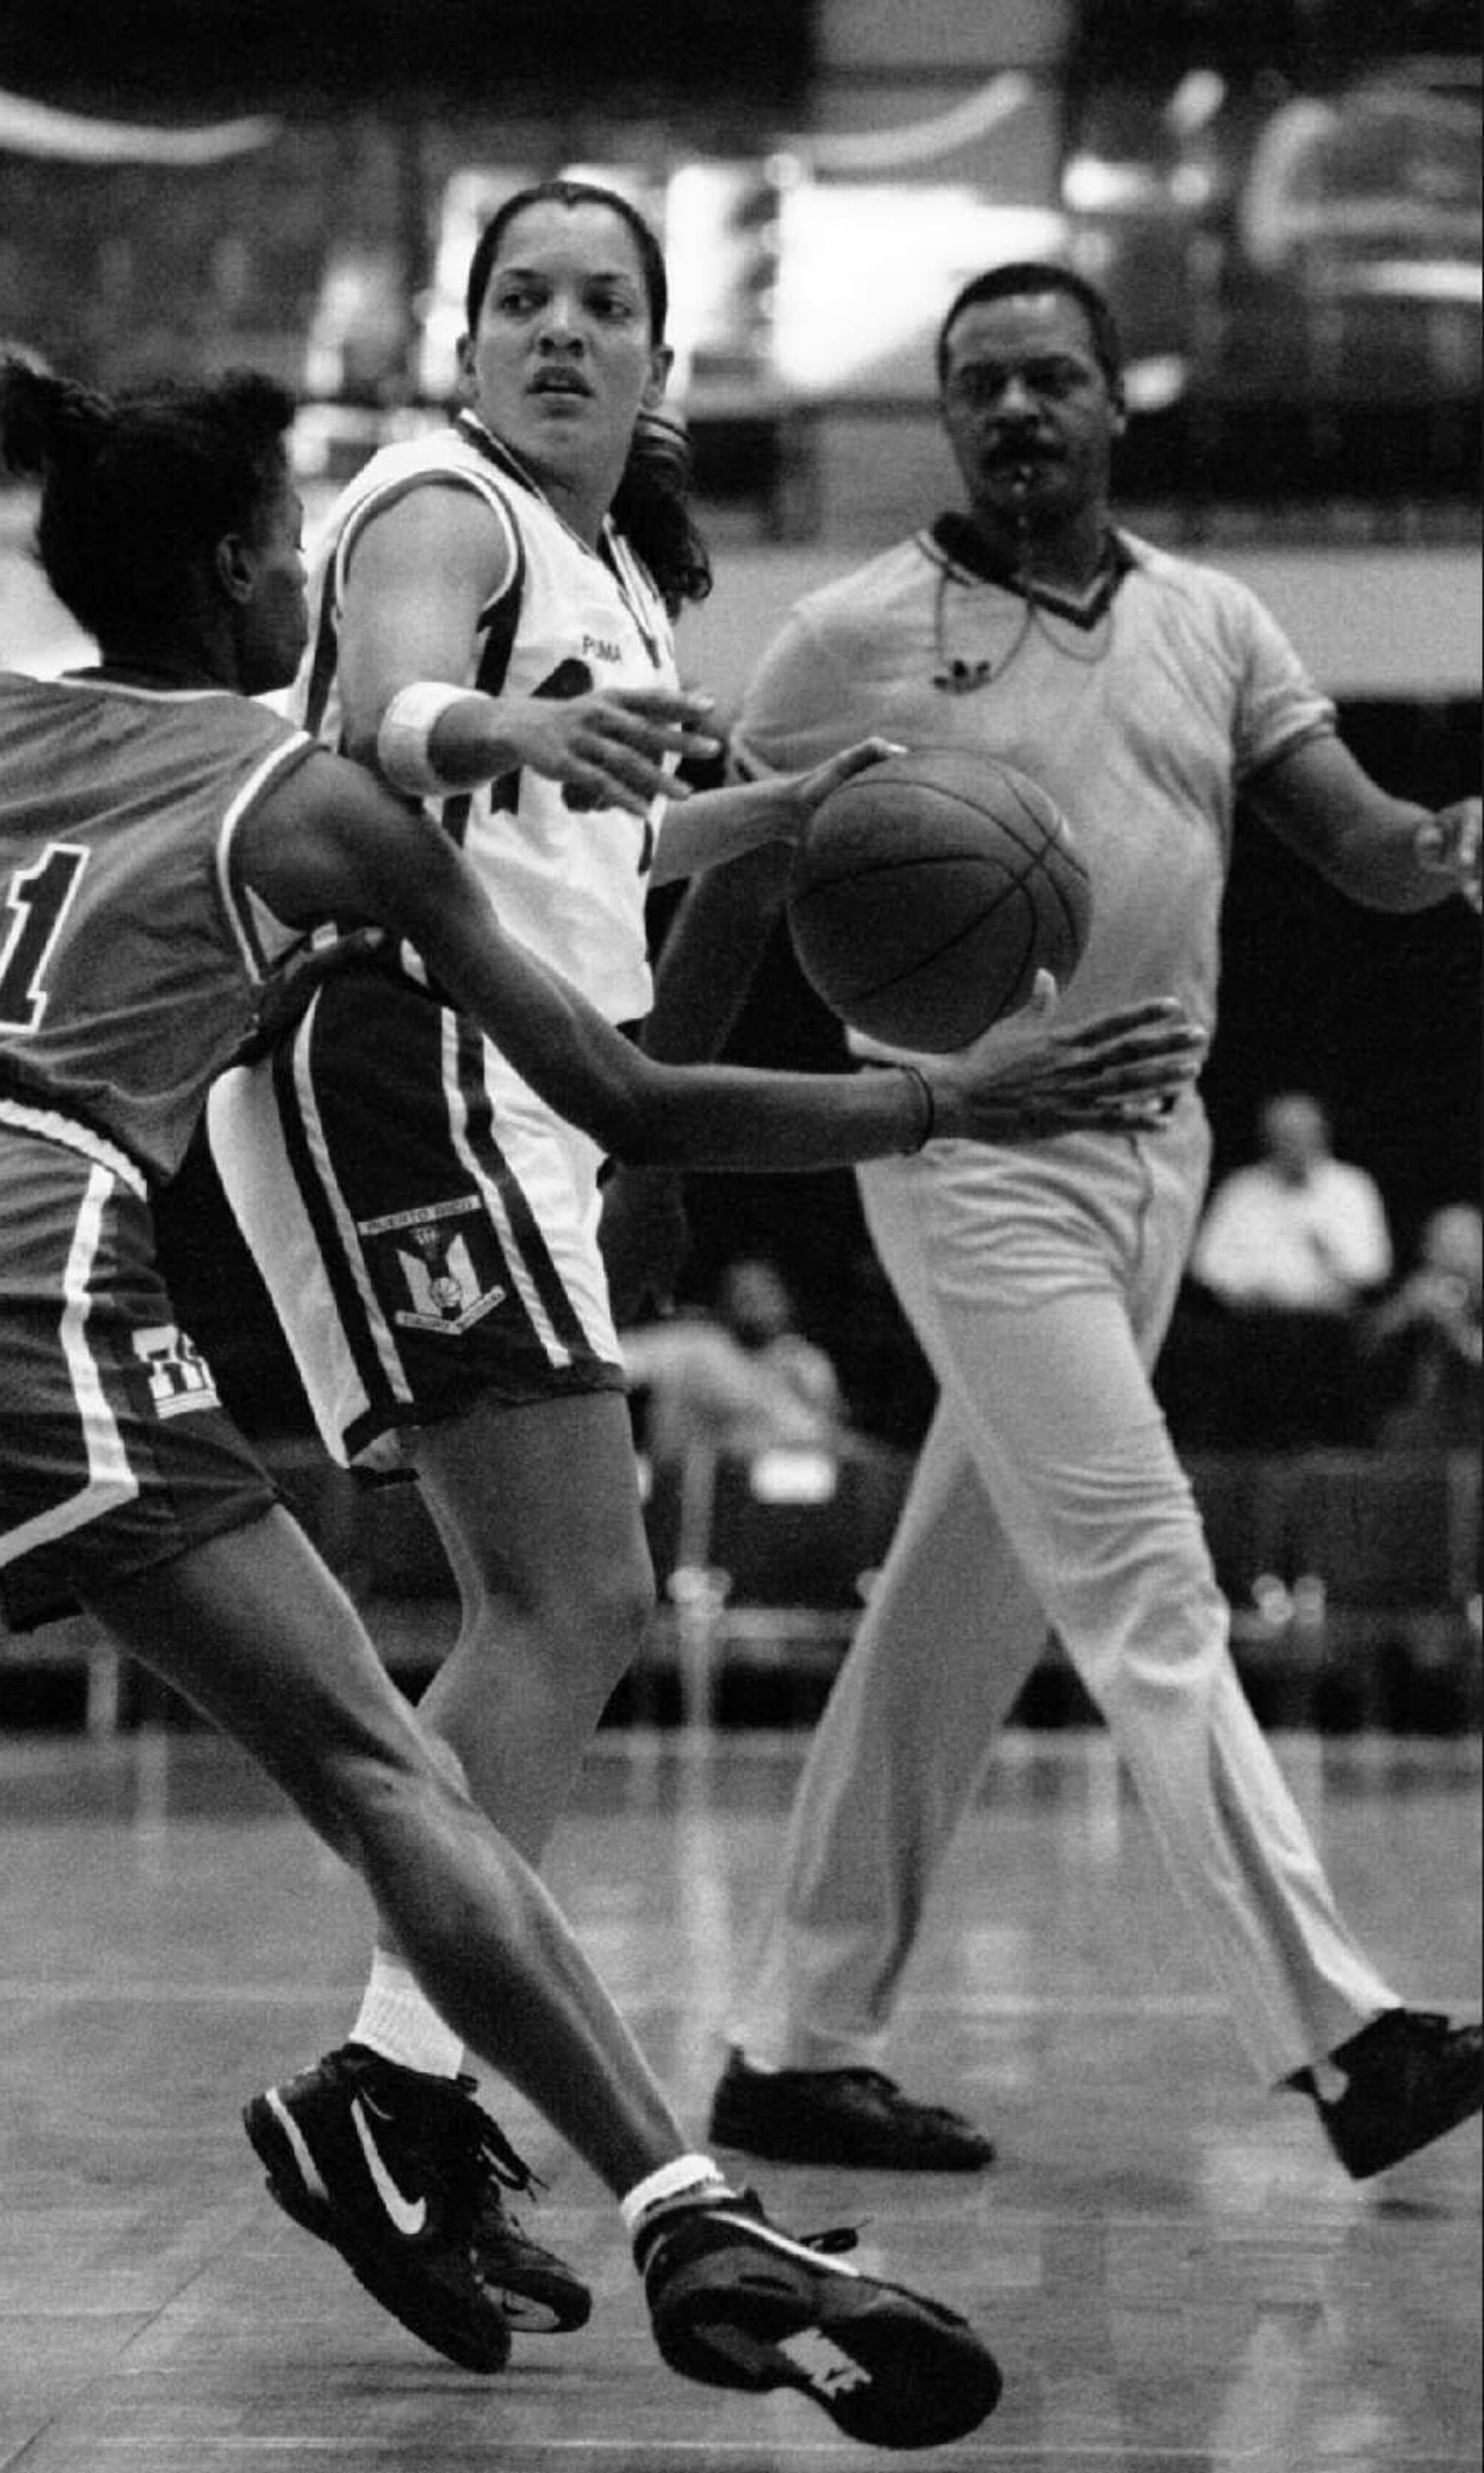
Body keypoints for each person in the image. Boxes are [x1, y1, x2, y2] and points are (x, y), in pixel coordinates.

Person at [0, 360, 1207, 2446]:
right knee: (388, 1765)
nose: (309, 565)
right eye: (289, 541)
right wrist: (943, 1095)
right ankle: (688, 2205)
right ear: (241, 570)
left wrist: (768, 818)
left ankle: (528, 2152)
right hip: (1, 1225)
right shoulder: (311, 801)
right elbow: (627, 1089)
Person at [201, 182, 1199, 2333]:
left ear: (657, 360)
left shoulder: (615, 594)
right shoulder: (438, 503)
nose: (562, 333)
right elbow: (383, 718)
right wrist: (501, 733)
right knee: (565, 1586)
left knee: (573, 1592)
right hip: (399, 1041)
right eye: (523, 301)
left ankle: (399, 2070)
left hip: (502, 1071)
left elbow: (584, 836)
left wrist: (753, 818)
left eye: (606, 307)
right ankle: (390, 2076)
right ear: (466, 346)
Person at [601, 260, 1483, 2185]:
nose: (1018, 410)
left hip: (1155, 1148)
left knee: (963, 1604)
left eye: (1052, 379)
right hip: (969, 1147)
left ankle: (791, 2040)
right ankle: (1343, 2034)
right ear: (947, 415)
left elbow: (1362, 839)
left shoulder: (1212, 618)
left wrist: (1450, 847)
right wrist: (646, 1138)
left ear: (1110, 406)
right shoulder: (848, 637)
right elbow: (735, 897)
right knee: (1149, 1580)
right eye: (982, 384)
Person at [1186, 1090, 1391, 1445]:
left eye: (1301, 1134)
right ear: (1267, 1139)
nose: (1292, 1144)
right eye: (1283, 1135)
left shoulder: (1351, 1187)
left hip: (1329, 1326)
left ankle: (1332, 1450)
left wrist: (1330, 1254)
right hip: (1256, 1324)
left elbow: (1372, 1268)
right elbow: (1206, 1265)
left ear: (1321, 1134)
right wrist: (1251, 1289)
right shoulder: (1242, 1189)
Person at [621, 1251, 852, 1462]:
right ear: (724, 1303)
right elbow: (613, 1362)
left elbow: (828, 1435)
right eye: (745, 1295)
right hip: (683, 1481)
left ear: (785, 1302)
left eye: (764, 1294)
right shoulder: (693, 1345)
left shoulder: (806, 1361)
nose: (755, 1305)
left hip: (776, 1490)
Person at [1361, 1200, 1483, 1451]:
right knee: (1399, 1433)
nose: (1451, 1254)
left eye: (1462, 1243)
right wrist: (1401, 1310)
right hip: (1430, 1414)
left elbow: (1476, 1355)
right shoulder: (1422, 1289)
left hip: (1476, 1412)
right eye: (1441, 1243)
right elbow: (1367, 1345)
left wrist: (1452, 1323)